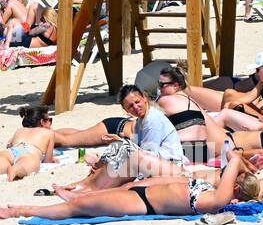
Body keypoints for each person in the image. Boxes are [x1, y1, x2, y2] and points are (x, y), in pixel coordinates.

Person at [0, 151, 263, 221]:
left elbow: (232, 162)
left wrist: (237, 162)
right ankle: (72, 195)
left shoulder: (218, 200)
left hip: (143, 204)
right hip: (142, 190)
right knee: (90, 199)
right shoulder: (215, 192)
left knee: (77, 209)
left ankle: (20, 210)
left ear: (235, 190)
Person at [53, 83, 184, 194]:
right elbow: (140, 147)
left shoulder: (152, 119)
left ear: (144, 98)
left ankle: (92, 186)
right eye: (130, 106)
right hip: (158, 162)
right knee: (118, 146)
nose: (136, 107)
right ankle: (86, 183)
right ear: (125, 110)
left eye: (137, 102)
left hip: (169, 164)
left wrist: (120, 143)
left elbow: (148, 154)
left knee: (120, 147)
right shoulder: (141, 120)